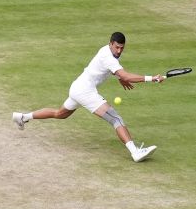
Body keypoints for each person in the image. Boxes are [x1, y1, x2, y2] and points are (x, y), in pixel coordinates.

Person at [12, 31, 163, 162]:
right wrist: (152, 78)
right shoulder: (109, 57)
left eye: (122, 48)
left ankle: (23, 117)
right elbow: (125, 75)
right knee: (116, 119)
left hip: (77, 88)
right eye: (117, 47)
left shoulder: (107, 51)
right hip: (85, 91)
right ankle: (135, 152)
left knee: (60, 114)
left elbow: (112, 70)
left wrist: (120, 78)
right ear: (110, 44)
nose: (119, 51)